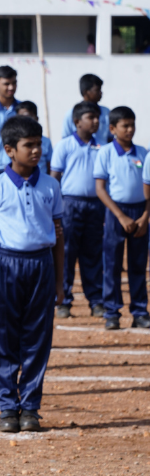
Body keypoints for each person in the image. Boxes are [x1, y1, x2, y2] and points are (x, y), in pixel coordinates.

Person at [0, 115, 64, 433]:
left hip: (42, 264)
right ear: (9, 150)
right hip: (8, 263)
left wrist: (59, 282)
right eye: (29, 145)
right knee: (3, 335)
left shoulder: (51, 186)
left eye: (39, 144)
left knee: (37, 338)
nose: (36, 151)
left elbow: (59, 235)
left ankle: (29, 407)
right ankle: (7, 406)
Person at [94, 106, 150, 330]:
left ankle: (140, 311)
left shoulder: (143, 153)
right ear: (112, 129)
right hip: (116, 212)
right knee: (112, 264)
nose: (130, 130)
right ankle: (112, 312)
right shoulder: (105, 152)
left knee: (138, 264)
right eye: (125, 126)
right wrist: (120, 216)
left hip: (140, 213)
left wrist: (145, 217)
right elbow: (100, 188)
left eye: (132, 125)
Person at [50, 101, 104, 319]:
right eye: (90, 117)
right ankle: (64, 300)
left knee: (93, 252)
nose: (96, 121)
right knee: (67, 252)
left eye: (97, 117)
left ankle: (96, 300)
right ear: (77, 122)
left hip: (95, 205)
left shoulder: (101, 147)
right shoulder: (64, 145)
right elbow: (55, 178)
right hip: (70, 204)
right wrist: (53, 208)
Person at [61, 74, 110, 143]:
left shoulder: (106, 112)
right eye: (97, 90)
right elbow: (66, 138)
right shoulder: (71, 114)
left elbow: (110, 138)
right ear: (86, 92)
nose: (101, 93)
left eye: (97, 117)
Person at [14, 101, 53, 174]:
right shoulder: (12, 141)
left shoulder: (46, 141)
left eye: (38, 144)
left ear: (36, 119)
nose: (25, 122)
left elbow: (50, 167)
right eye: (21, 119)